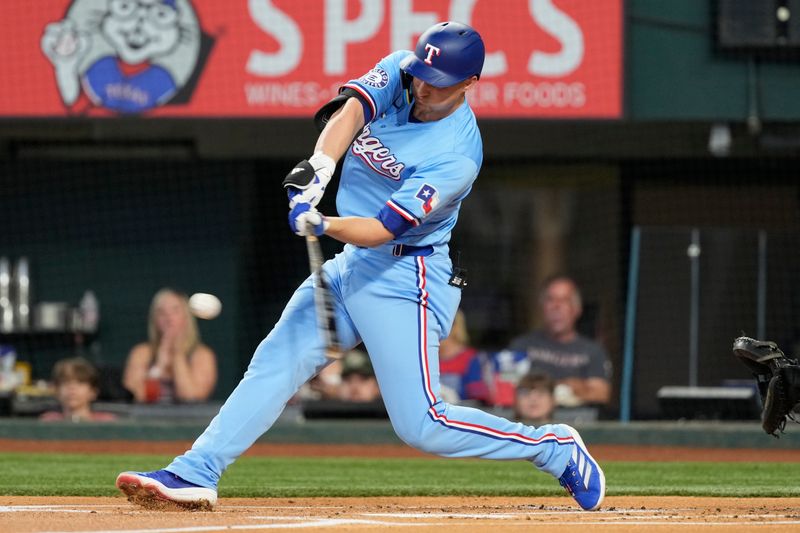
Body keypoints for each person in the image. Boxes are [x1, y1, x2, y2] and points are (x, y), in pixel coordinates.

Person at [115, 21, 604, 512]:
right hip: (353, 264)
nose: (424, 86)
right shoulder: (403, 70)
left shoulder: (457, 154)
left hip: (406, 277)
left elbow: (383, 228)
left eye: (439, 80)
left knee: (423, 425)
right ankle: (196, 471)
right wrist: (319, 168)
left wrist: (322, 222)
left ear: (470, 83)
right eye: (421, 74)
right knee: (277, 361)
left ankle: (553, 449)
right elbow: (351, 112)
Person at [508, 276, 611, 406]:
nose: (556, 306)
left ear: (577, 310)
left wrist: (575, 388)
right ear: (542, 307)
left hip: (576, 422)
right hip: (531, 423)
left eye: (564, 300)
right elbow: (507, 391)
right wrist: (568, 386)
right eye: (550, 300)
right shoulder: (521, 346)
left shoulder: (593, 351)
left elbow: (602, 394)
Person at [122, 288, 217, 404]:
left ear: (186, 317)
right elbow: (135, 396)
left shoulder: (202, 355)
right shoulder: (142, 353)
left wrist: (177, 355)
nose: (168, 318)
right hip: (147, 420)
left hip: (188, 421)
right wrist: (158, 368)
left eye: (175, 310)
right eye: (161, 312)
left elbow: (189, 397)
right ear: (155, 320)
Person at [39, 357, 117, 422]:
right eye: (66, 382)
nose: (72, 388)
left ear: (93, 392)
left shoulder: (106, 422)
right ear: (57, 391)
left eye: (80, 382)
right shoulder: (49, 421)